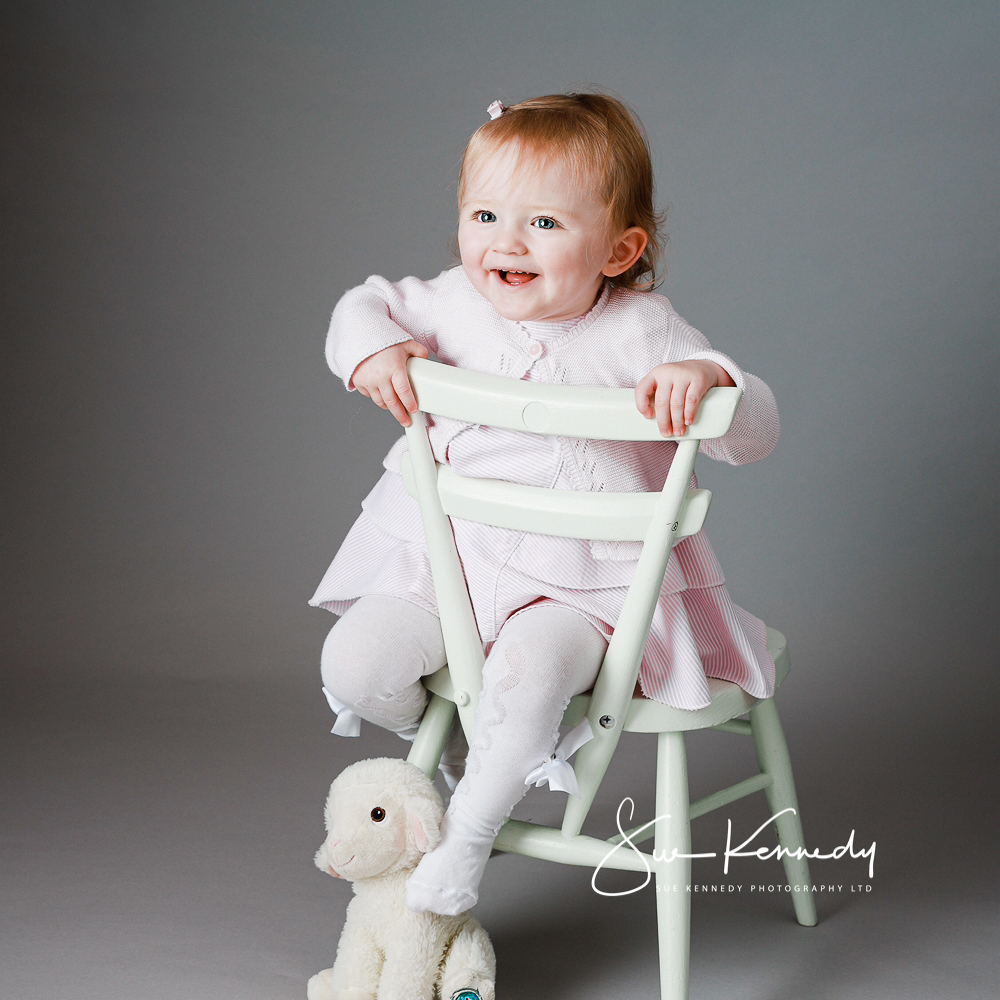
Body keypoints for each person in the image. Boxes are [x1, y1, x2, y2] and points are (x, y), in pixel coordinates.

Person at [310, 93, 779, 917]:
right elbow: (359, 303)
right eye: (484, 213)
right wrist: (374, 346)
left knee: (527, 679)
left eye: (545, 224)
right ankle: (467, 755)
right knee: (355, 662)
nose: (506, 241)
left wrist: (708, 380)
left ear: (619, 249)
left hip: (580, 590)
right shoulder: (451, 301)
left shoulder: (643, 330)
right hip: (449, 565)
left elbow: (756, 429)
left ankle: (467, 837)